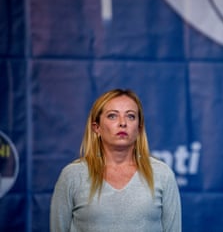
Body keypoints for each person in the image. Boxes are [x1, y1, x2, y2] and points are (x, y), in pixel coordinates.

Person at [50, 89, 181, 232]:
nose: (122, 123)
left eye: (130, 116)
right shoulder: (72, 176)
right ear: (97, 127)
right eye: (112, 116)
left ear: (139, 129)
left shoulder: (162, 174)